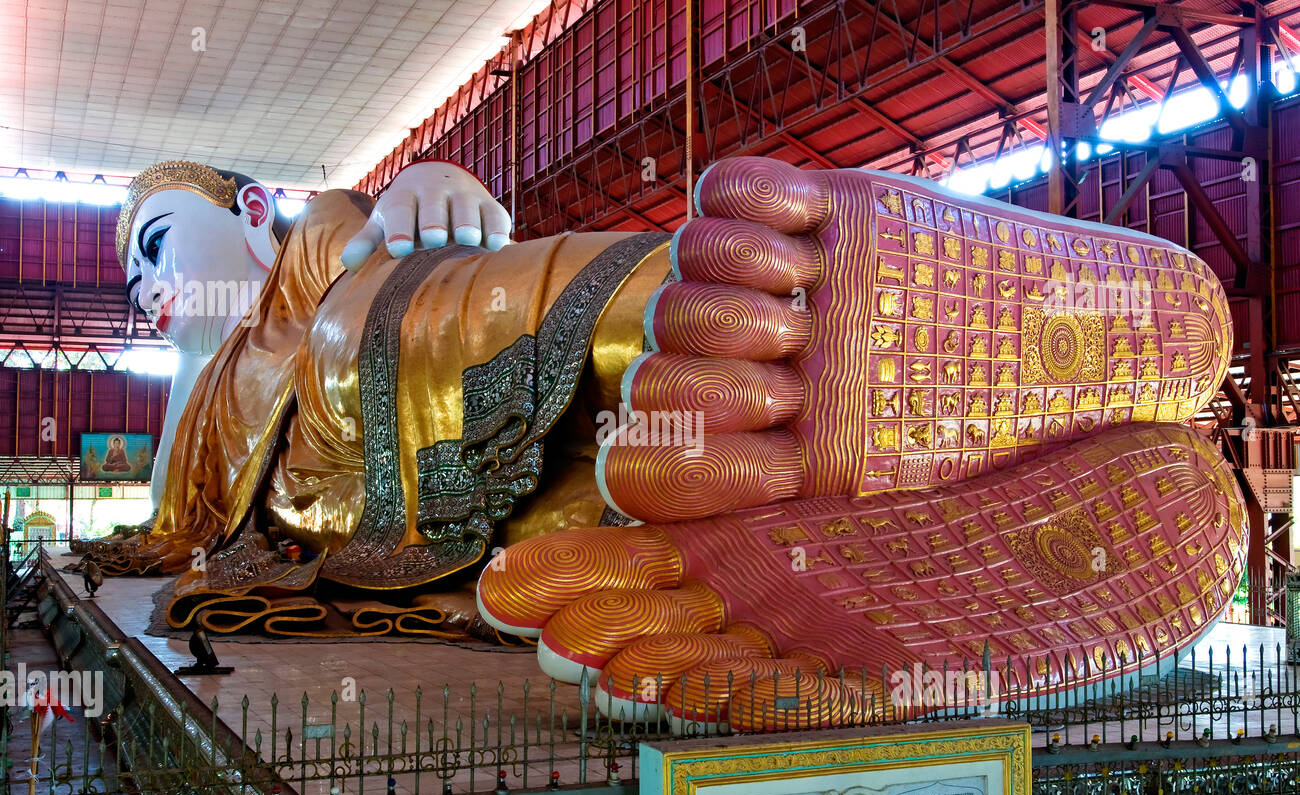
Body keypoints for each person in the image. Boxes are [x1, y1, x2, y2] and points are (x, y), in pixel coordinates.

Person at [108, 154, 1240, 726]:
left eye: (156, 247)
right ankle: (822, 501)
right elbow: (180, 513)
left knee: (390, 323)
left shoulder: (300, 260)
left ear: (250, 210)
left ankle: (783, 338)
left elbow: (355, 229)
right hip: (411, 517)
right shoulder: (207, 396)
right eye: (132, 287)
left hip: (393, 371)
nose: (150, 291)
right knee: (625, 505)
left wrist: (427, 183)